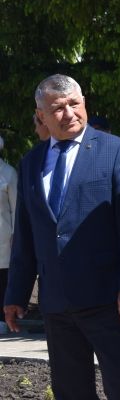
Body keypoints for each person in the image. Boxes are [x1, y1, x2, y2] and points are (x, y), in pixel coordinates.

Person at [4, 74, 120, 399]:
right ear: (41, 116)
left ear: (84, 103)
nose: (69, 113)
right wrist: (15, 294)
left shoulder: (116, 151)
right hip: (56, 303)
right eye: (57, 108)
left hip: (109, 301)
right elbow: (26, 235)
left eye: (74, 104)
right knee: (70, 391)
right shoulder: (31, 162)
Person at [0, 136, 17, 334]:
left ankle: (2, 320)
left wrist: (15, 235)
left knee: (2, 278)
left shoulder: (8, 173)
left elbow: (17, 208)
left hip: (3, 237)